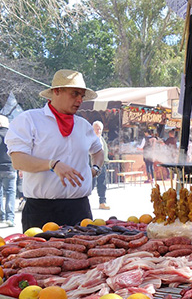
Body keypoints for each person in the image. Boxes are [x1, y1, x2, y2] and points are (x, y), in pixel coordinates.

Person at [5, 69, 103, 231]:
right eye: (75, 94)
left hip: (80, 208)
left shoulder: (83, 125)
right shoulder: (30, 120)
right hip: (41, 210)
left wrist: (95, 169)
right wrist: (53, 164)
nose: (79, 100)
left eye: (82, 96)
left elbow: (98, 151)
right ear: (57, 91)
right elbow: (18, 160)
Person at [0, 115, 17, 227]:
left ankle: (1, 216)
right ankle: (10, 218)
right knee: (10, 192)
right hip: (10, 166)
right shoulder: (11, 134)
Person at [92, 121, 110, 210]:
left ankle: (102, 202)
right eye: (96, 128)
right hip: (92, 165)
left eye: (100, 129)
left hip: (102, 165)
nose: (98, 130)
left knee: (102, 183)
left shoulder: (102, 139)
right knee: (91, 184)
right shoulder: (90, 139)